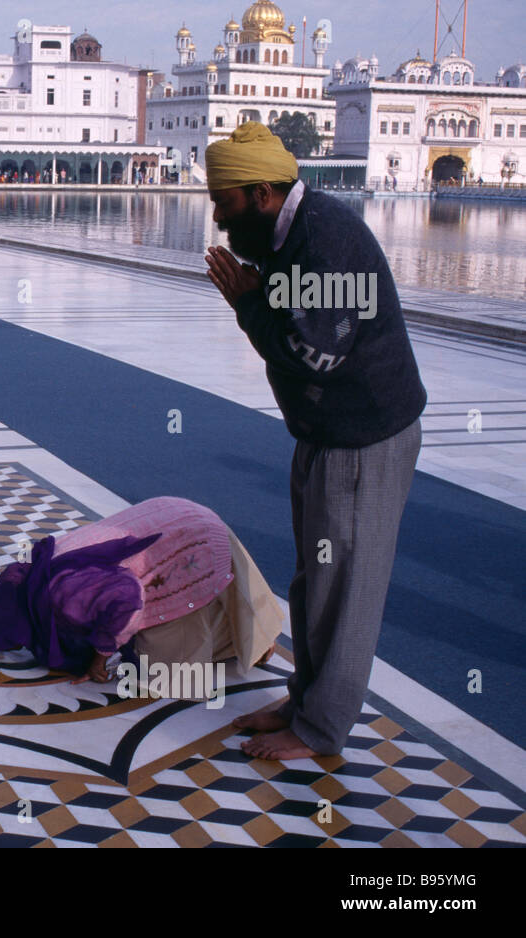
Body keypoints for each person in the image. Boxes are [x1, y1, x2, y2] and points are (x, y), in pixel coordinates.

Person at [202, 122, 425, 761]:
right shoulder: (287, 232)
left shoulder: (324, 241)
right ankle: (306, 697)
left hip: (364, 434)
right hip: (328, 431)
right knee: (315, 578)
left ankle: (322, 729)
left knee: (346, 586)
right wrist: (256, 297)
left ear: (265, 192)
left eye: (226, 202)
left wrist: (248, 305)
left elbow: (315, 352)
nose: (219, 218)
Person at [0, 497, 283, 686]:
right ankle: (257, 636)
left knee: (165, 671)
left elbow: (128, 598)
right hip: (173, 515)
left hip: (189, 537)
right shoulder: (38, 575)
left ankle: (253, 643)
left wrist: (99, 659)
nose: (21, 646)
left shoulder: (63, 596)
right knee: (220, 594)